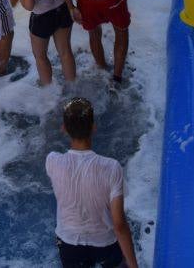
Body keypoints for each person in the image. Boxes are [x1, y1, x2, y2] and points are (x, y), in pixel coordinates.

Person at [46, 98, 139, 268]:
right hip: (104, 244)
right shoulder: (111, 167)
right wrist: (134, 265)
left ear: (64, 129)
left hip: (68, 243)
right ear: (93, 127)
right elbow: (119, 224)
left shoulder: (52, 161)